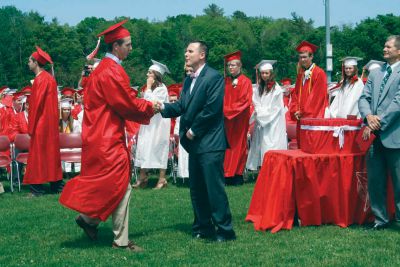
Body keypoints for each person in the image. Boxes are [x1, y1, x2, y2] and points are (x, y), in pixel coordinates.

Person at [59, 20, 156, 251]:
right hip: (108, 138)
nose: (131, 48)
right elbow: (126, 104)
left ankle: (88, 220)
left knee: (108, 184)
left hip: (97, 135)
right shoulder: (112, 71)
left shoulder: (100, 69)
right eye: (128, 45)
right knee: (122, 185)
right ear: (116, 47)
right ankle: (120, 241)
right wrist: (151, 107)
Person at [159, 40, 236, 242]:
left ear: (202, 55)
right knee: (197, 189)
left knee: (214, 189)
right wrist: (161, 107)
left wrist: (194, 130)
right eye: (186, 51)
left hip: (210, 142)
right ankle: (203, 227)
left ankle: (225, 230)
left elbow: (212, 108)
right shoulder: (188, 80)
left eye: (190, 51)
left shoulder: (214, 77)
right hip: (194, 144)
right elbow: (183, 105)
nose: (186, 54)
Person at [358, 35, 400, 230]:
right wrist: (368, 117)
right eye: (384, 45)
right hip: (374, 139)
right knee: (375, 181)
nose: (384, 49)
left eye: (388, 46)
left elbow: (397, 104)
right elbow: (363, 98)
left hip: (394, 136)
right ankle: (380, 219)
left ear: (399, 51)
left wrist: (377, 122)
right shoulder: (375, 73)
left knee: (399, 182)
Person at [24, 46, 63, 196]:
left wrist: (31, 127)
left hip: (40, 123)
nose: (28, 63)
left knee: (37, 156)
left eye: (29, 60)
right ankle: (56, 186)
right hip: (50, 124)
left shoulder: (41, 80)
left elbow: (36, 105)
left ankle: (36, 189)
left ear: (35, 62)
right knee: (51, 155)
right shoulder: (50, 79)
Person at [133, 60, 171, 189]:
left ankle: (162, 179)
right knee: (144, 147)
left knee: (159, 148)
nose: (147, 75)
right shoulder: (150, 88)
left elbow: (152, 104)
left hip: (159, 124)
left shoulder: (162, 89)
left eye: (149, 73)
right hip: (148, 123)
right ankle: (142, 177)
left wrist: (148, 89)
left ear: (156, 74)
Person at [246, 60, 287, 171]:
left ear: (271, 74)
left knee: (271, 144)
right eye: (262, 73)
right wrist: (259, 111)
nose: (264, 75)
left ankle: (273, 169)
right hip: (262, 121)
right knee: (260, 144)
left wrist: (261, 114)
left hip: (273, 122)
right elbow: (256, 102)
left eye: (266, 73)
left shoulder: (277, 90)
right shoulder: (259, 88)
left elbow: (275, 108)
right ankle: (262, 169)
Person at [289, 41, 328, 147]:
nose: (302, 60)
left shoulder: (319, 73)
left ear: (311, 57)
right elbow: (295, 94)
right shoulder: (300, 74)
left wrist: (303, 111)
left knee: (311, 147)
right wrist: (295, 110)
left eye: (305, 57)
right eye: (300, 57)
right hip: (300, 118)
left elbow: (316, 97)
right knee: (301, 146)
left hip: (313, 118)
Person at [222, 51, 252, 185]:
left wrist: (228, 111)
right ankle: (226, 174)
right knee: (226, 147)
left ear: (240, 66)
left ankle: (237, 175)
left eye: (233, 65)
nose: (231, 67)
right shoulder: (226, 81)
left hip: (239, 120)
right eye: (229, 65)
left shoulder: (246, 81)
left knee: (239, 147)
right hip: (226, 120)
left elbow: (245, 101)